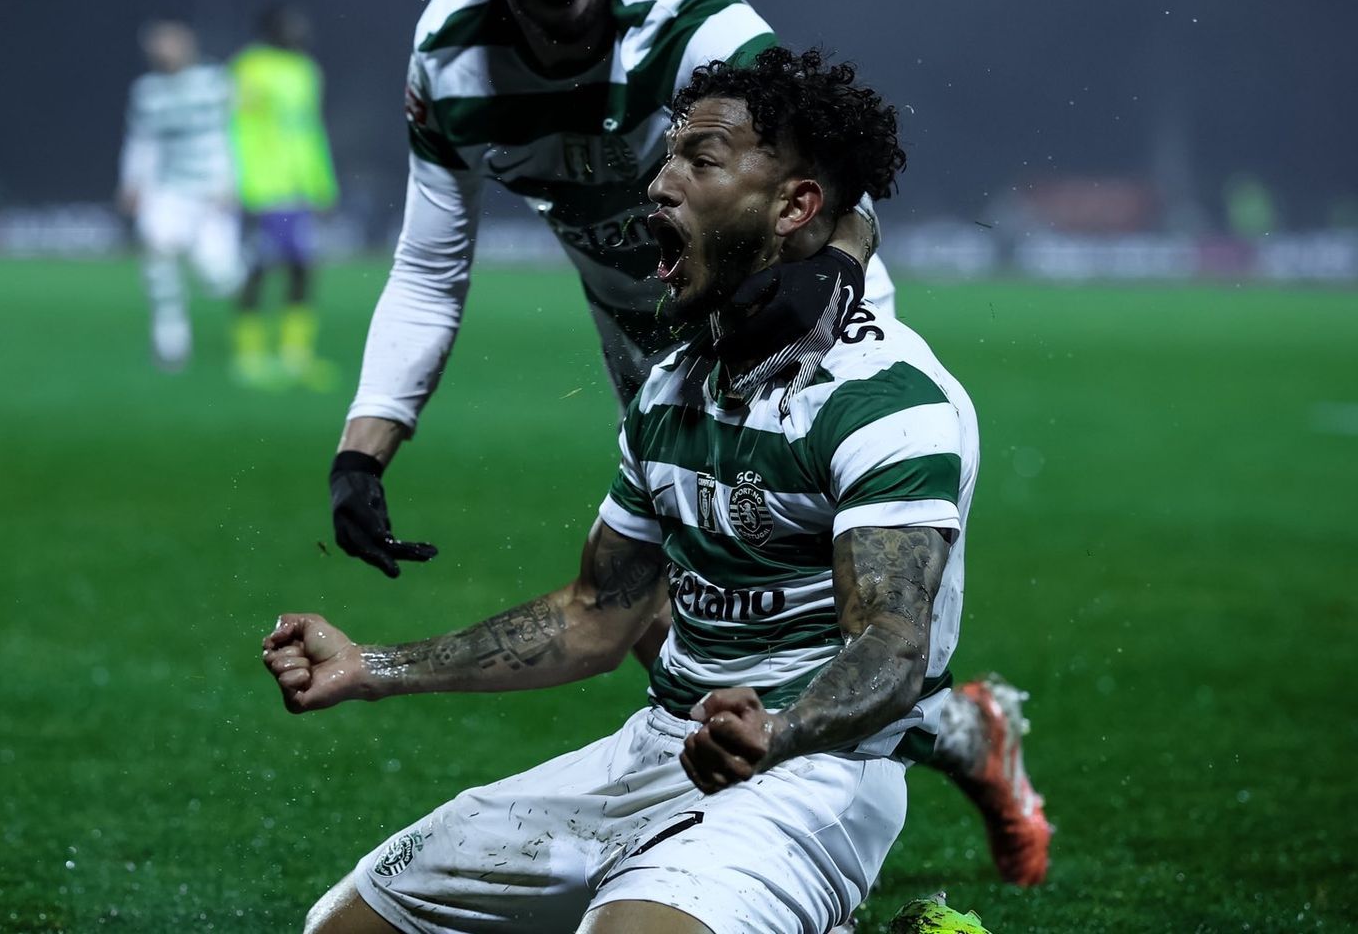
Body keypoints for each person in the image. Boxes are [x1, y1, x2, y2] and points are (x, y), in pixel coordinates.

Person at [325, 0, 1049, 887]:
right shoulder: (451, 58)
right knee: (679, 639)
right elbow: (430, 264)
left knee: (830, 637)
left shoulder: (698, 28)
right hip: (660, 370)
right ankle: (929, 753)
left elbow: (830, 175)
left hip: (807, 347)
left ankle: (797, 858)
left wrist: (830, 279)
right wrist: (365, 446)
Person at [270, 49, 985, 933]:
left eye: (701, 161)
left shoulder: (884, 400)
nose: (658, 184)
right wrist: (371, 668)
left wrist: (779, 732)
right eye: (667, 157)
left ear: (794, 206)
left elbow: (892, 645)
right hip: (653, 751)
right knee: (341, 926)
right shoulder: (673, 385)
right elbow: (596, 613)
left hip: (811, 776)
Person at [117, 19, 243, 370]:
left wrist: (233, 181)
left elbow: (236, 133)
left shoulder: (215, 83)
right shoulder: (147, 91)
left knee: (220, 279)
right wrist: (131, 182)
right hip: (168, 191)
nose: (164, 51)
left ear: (188, 45)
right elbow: (141, 140)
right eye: (158, 44)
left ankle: (243, 288)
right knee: (158, 255)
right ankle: (170, 342)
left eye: (170, 43)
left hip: (212, 192)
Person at [229, 4, 343, 389]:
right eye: (291, 25)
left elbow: (310, 130)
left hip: (299, 188)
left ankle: (296, 357)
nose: (299, 31)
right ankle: (249, 357)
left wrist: (323, 185)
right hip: (263, 186)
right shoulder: (250, 68)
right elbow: (237, 126)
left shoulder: (307, 71)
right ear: (271, 29)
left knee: (303, 268)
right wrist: (242, 182)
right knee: (258, 268)